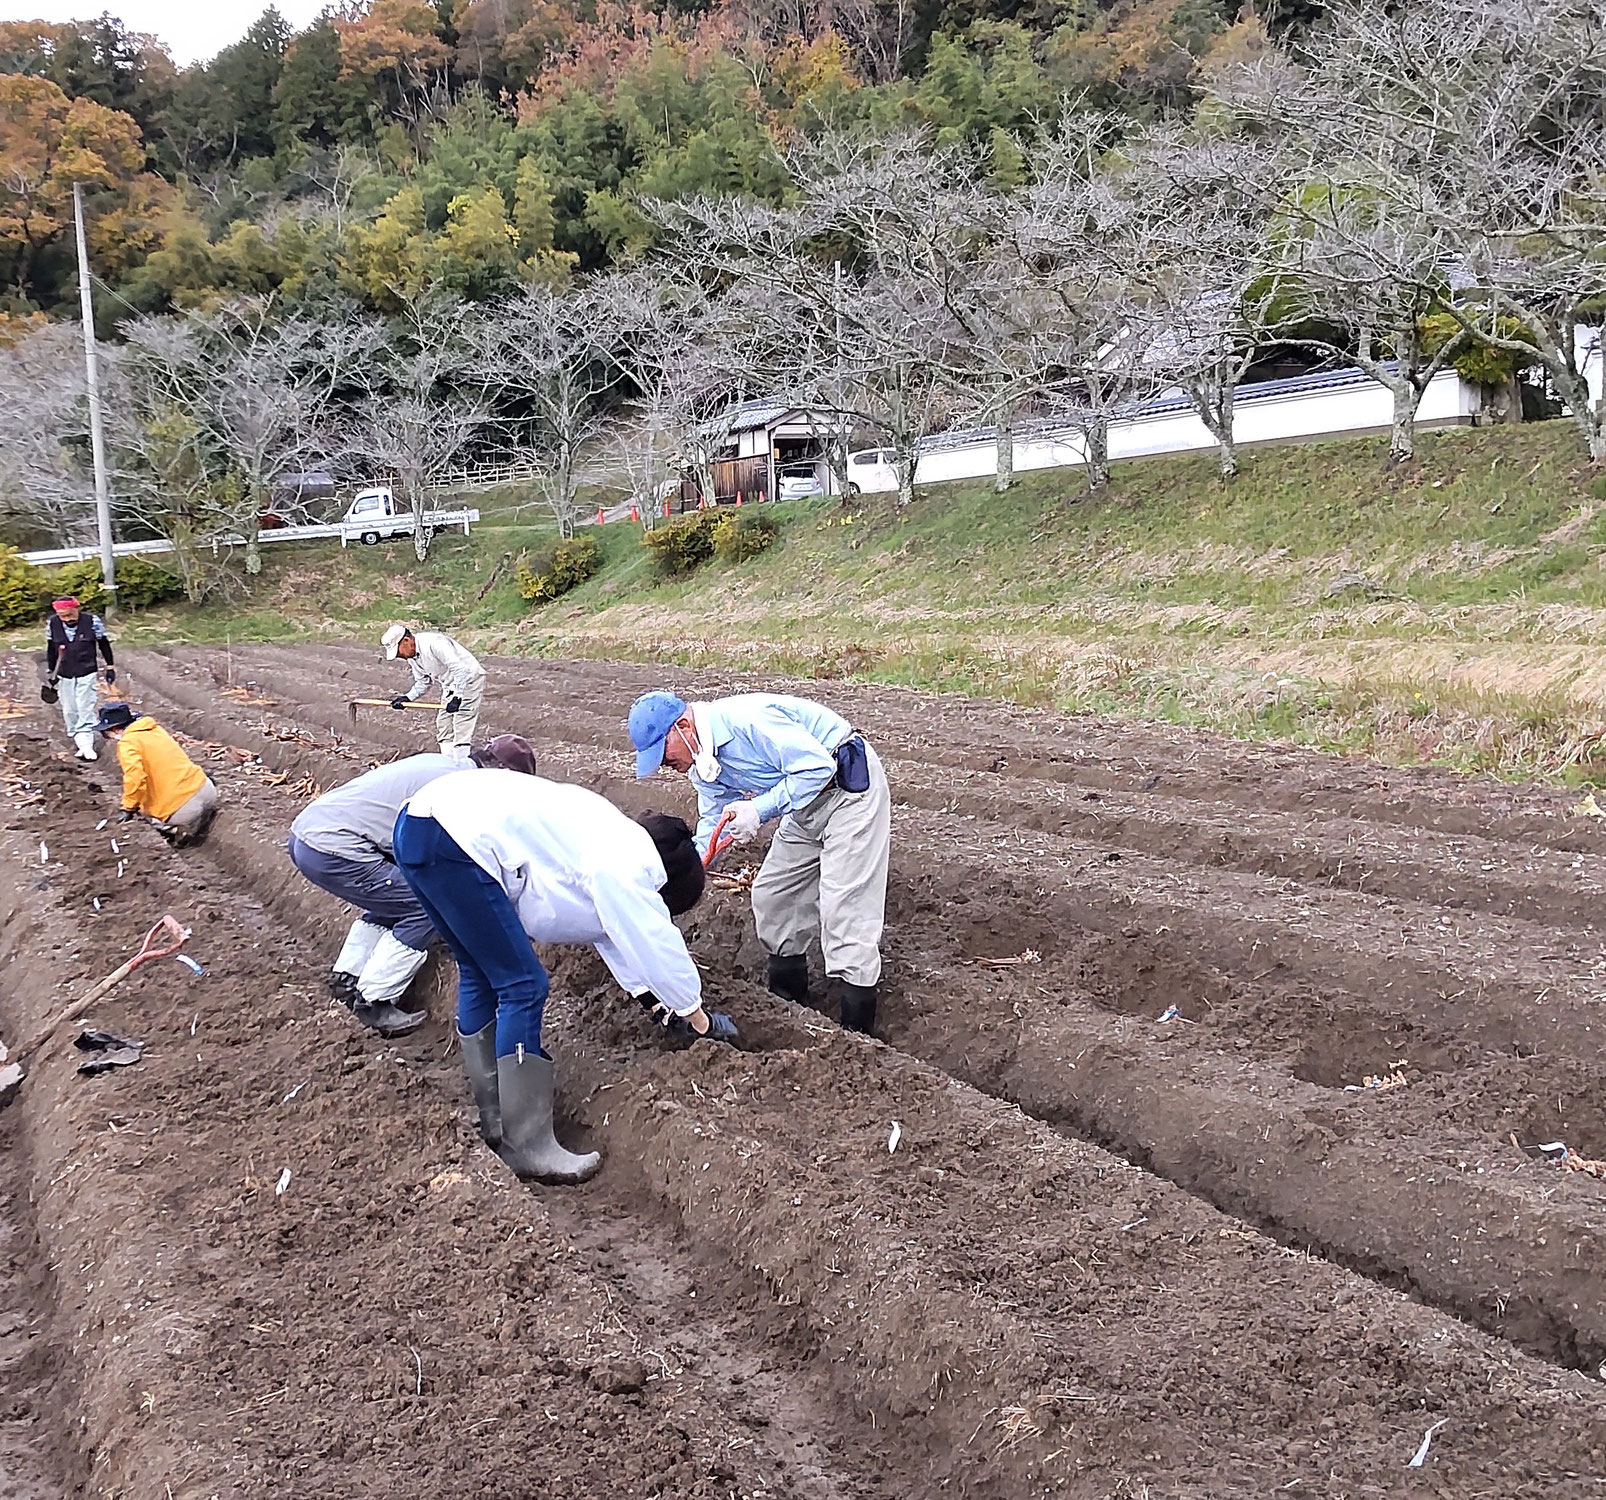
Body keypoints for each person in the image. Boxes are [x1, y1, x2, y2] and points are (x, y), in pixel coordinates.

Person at [393, 771, 736, 1184]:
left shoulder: (607, 831)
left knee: (480, 971)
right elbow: (651, 940)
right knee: (524, 985)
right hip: (455, 842)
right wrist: (697, 1017)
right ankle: (528, 1145)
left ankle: (495, 1116)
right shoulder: (628, 866)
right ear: (669, 885)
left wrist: (656, 1003)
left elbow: (615, 937)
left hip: (419, 824)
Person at [629, 690, 890, 1035]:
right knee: (772, 896)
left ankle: (858, 1036)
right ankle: (789, 1005)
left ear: (683, 726)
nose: (663, 764)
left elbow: (817, 767)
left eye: (662, 753)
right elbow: (713, 823)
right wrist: (684, 870)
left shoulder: (748, 721)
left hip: (848, 793)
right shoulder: (703, 763)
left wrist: (760, 809)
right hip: (804, 806)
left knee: (844, 908)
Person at [287, 735, 539, 1037]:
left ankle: (348, 978)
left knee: (394, 899)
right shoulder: (464, 790)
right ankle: (374, 1001)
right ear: (502, 772)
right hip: (335, 848)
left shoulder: (441, 765)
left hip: (307, 835)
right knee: (425, 905)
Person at [94, 702, 221, 847]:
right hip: (207, 790)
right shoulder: (154, 729)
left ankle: (177, 831)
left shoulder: (128, 743)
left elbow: (135, 778)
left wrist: (128, 807)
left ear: (115, 729)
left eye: (106, 733)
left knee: (144, 814)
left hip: (182, 809)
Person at [380, 624, 486, 761]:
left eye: (398, 652)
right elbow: (423, 681)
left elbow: (460, 669)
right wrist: (407, 698)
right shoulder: (413, 658)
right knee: (444, 724)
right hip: (451, 685)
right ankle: (448, 762)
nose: (400, 657)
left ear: (406, 641)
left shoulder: (434, 644)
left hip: (469, 678)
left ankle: (462, 763)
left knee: (461, 721)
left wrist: (457, 697)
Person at [44, 596, 115, 761]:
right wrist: (51, 672)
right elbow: (51, 649)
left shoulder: (91, 621)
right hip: (64, 672)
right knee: (69, 709)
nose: (67, 619)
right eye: (63, 616)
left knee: (84, 706)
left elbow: (104, 643)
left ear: (76, 609)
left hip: (87, 670)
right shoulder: (52, 624)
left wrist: (110, 666)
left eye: (70, 615)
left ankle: (87, 745)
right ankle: (80, 742)